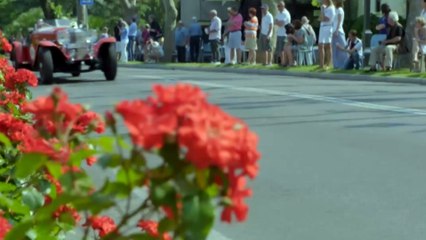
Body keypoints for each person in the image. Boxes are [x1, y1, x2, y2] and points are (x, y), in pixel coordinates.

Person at [318, 0, 336, 69]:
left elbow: (326, 19)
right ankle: (321, 64)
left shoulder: (331, 8)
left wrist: (322, 11)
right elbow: (320, 18)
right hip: (322, 27)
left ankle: (328, 64)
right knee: (320, 45)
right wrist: (322, 12)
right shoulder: (325, 8)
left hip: (328, 27)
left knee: (328, 46)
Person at [275, 1, 291, 66]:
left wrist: (278, 22)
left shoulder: (286, 14)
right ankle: (282, 62)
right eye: (277, 6)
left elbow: (282, 24)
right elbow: (275, 21)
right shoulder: (278, 13)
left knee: (284, 50)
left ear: (283, 6)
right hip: (279, 33)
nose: (278, 7)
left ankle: (285, 63)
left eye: (279, 6)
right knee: (280, 50)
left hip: (284, 34)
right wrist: (278, 22)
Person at [332, 0, 346, 69]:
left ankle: (343, 64)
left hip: (338, 31)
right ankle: (336, 64)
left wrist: (337, 30)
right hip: (334, 31)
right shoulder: (335, 9)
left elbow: (339, 21)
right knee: (335, 49)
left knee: (341, 48)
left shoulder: (340, 9)